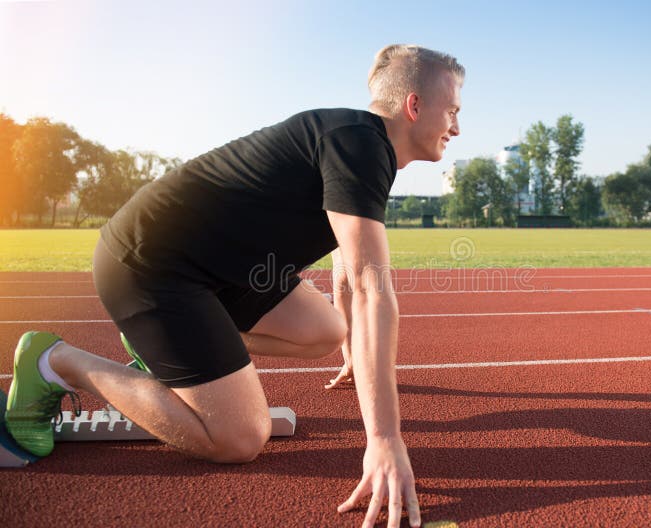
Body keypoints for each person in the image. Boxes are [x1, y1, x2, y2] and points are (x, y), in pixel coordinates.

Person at [5, 44, 463, 527]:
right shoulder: (360, 145)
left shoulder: (361, 144)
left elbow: (348, 266)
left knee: (329, 330)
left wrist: (354, 350)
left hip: (220, 271)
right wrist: (384, 440)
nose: (456, 128)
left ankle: (169, 349)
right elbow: (375, 291)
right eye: (452, 112)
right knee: (239, 439)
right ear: (414, 106)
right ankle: (57, 362)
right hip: (151, 264)